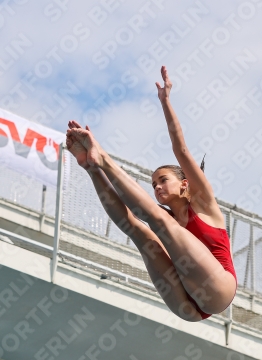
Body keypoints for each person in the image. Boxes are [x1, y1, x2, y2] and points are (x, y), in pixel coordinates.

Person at [66, 66, 237, 322]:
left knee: (160, 222)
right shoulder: (166, 219)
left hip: (218, 290)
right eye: (153, 183)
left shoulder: (203, 201)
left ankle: (103, 159)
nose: (156, 187)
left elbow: (181, 149)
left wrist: (165, 101)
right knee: (140, 231)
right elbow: (128, 220)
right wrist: (91, 170)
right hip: (187, 307)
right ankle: (94, 166)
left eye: (163, 180)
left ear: (184, 184)